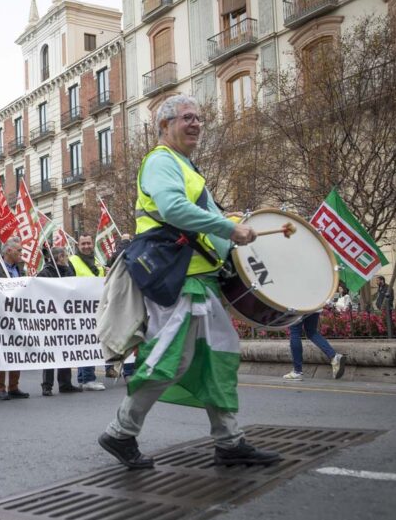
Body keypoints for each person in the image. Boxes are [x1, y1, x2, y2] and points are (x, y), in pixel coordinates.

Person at [98, 95, 280, 470]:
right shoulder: (161, 160)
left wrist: (230, 234)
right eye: (186, 118)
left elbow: (199, 215)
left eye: (199, 117)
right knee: (170, 359)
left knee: (219, 358)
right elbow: (174, 210)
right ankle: (120, 432)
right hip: (180, 282)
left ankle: (229, 442)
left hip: (200, 279)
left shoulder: (185, 165)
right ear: (164, 127)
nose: (195, 123)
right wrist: (230, 228)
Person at [0, 238, 30, 401]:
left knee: (16, 350)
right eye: (19, 250)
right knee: (2, 351)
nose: (21, 253)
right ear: (8, 251)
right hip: (0, 318)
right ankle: (0, 387)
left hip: (17, 317)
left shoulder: (21, 270)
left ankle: (13, 386)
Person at [38, 246, 82, 396]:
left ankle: (65, 383)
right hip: (51, 319)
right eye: (65, 256)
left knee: (66, 350)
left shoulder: (69, 271)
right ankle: (47, 385)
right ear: (59, 257)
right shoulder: (45, 273)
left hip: (66, 318)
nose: (67, 258)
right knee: (50, 352)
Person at [69, 234, 108, 390]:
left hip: (95, 310)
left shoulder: (97, 262)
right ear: (78, 245)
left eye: (89, 243)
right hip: (80, 310)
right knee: (86, 343)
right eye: (83, 243)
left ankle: (83, 378)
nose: (86, 246)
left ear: (93, 244)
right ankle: (88, 378)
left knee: (89, 343)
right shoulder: (73, 261)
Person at [282, 312, 346, 381]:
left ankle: (297, 371)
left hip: (297, 306)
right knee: (312, 332)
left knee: (295, 331)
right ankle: (334, 356)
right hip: (314, 306)